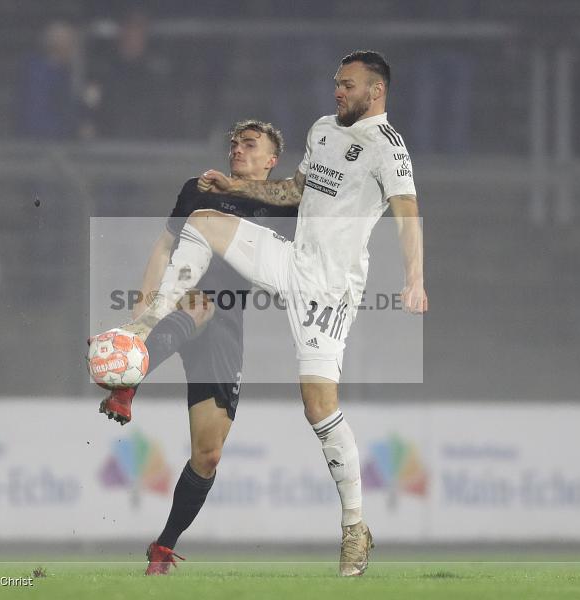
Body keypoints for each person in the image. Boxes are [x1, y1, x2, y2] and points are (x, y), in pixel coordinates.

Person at [128, 51, 427, 577]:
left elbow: (407, 216)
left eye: (348, 85)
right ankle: (144, 329)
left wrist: (414, 278)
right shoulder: (322, 131)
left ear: (375, 91)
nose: (338, 91)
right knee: (202, 218)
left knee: (317, 405)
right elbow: (292, 191)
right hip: (293, 261)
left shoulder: (388, 148)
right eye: (336, 82)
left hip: (330, 290)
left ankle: (355, 526)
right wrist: (236, 187)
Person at [98, 120, 297, 574]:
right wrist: (143, 314)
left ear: (271, 161)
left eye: (250, 145)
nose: (238, 150)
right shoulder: (199, 189)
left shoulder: (285, 205)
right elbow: (164, 246)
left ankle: (163, 547)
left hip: (228, 321)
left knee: (209, 453)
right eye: (234, 143)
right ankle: (126, 383)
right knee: (199, 304)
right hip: (184, 299)